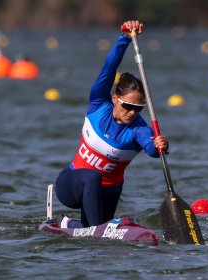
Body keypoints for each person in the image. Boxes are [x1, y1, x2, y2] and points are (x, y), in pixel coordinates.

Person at [54, 20, 169, 228]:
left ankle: (67, 225)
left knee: (93, 230)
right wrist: (124, 39)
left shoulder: (138, 129)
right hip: (71, 184)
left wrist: (161, 145)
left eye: (139, 108)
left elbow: (151, 148)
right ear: (116, 98)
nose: (133, 112)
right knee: (92, 176)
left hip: (108, 195)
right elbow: (109, 68)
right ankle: (95, 229)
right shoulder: (99, 104)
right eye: (128, 106)